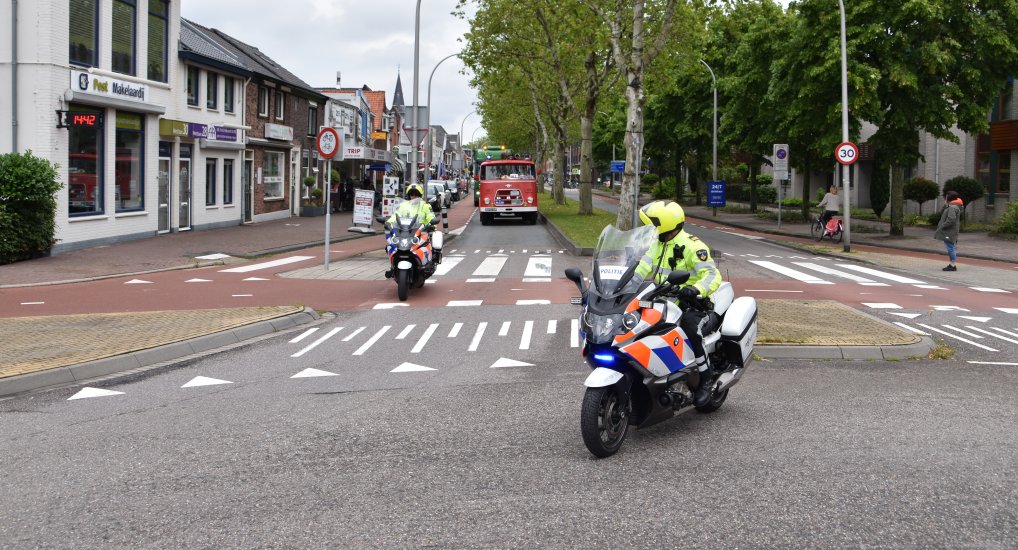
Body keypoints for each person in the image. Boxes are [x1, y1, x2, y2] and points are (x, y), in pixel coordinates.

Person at [636, 201, 723, 407]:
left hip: (691, 304)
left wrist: (696, 289)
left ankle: (706, 379)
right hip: (663, 302)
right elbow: (641, 268)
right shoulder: (658, 244)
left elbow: (712, 275)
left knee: (690, 331)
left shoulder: (693, 246)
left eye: (654, 224)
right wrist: (622, 284)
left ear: (665, 224)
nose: (650, 228)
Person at [935, 190, 963, 271]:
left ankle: (952, 265)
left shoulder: (952, 207)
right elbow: (942, 213)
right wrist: (945, 204)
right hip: (952, 230)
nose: (945, 197)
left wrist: (942, 227)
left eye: (946, 196)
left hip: (949, 231)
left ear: (949, 197)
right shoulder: (953, 206)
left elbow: (951, 219)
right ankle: (952, 264)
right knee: (952, 247)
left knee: (950, 247)